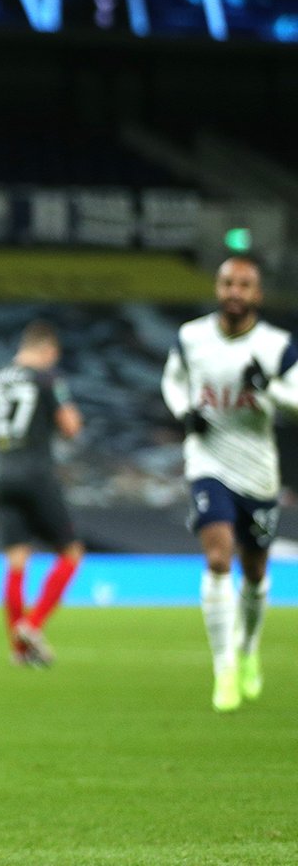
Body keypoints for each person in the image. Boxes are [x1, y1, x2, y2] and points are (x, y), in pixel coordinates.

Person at [162, 255, 297, 711]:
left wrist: (269, 388)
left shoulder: (278, 346)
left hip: (257, 470)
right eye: (226, 283)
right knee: (219, 558)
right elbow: (173, 381)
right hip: (208, 461)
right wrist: (185, 412)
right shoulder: (191, 337)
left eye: (244, 285)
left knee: (255, 572)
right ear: (217, 288)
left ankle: (248, 651)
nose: (234, 292)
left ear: (258, 294)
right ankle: (222, 668)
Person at [0, 320, 85, 668]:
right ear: (47, 350)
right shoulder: (48, 379)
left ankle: (18, 650)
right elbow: (70, 427)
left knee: (16, 560)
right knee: (71, 552)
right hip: (35, 471)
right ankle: (31, 624)